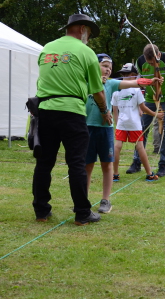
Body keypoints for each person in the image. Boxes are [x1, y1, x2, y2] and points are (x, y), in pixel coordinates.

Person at [32, 13, 109, 226]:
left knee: (44, 162)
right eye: (89, 33)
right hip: (72, 112)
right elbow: (97, 90)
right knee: (76, 162)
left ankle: (41, 210)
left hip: (45, 109)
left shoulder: (47, 48)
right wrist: (105, 111)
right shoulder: (86, 52)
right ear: (83, 29)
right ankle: (82, 212)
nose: (89, 38)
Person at [85, 54, 161, 213]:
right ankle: (83, 200)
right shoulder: (85, 81)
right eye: (105, 66)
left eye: (110, 68)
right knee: (87, 166)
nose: (108, 70)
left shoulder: (112, 83)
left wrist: (150, 81)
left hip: (105, 129)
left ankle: (105, 200)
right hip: (87, 127)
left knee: (107, 164)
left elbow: (134, 82)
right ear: (95, 65)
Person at [127, 44, 165, 177]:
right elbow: (136, 81)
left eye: (154, 61)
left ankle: (163, 164)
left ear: (159, 55)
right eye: (149, 62)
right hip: (149, 99)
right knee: (142, 128)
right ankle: (136, 162)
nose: (152, 64)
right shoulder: (140, 62)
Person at [112, 63, 164, 181]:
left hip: (123, 124)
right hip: (133, 124)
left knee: (118, 146)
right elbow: (143, 107)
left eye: (128, 75)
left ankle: (115, 174)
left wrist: (117, 123)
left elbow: (115, 110)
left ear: (134, 76)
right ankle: (149, 174)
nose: (126, 77)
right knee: (139, 147)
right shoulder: (136, 90)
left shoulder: (117, 90)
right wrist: (157, 114)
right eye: (124, 75)